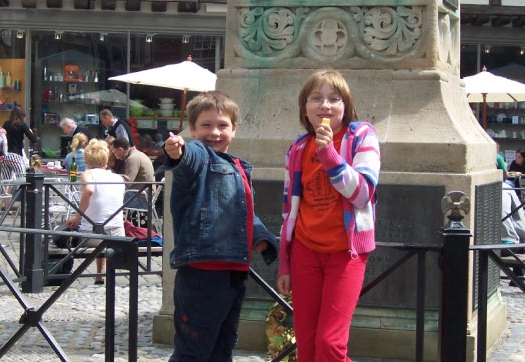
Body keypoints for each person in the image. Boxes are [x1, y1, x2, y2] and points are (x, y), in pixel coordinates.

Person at [162, 90, 277, 362]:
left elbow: (243, 212)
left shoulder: (238, 166)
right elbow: (188, 157)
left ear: (234, 129)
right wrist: (177, 151)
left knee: (221, 350)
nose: (214, 132)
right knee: (192, 354)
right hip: (202, 274)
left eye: (222, 125)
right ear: (192, 129)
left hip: (233, 271)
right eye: (206, 125)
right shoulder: (199, 154)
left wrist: (261, 237)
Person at [277, 69, 381, 362]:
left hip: (346, 253)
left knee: (329, 343)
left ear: (346, 106)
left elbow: (362, 194)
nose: (325, 105)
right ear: (305, 108)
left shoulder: (361, 136)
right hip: (305, 251)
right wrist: (285, 261)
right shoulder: (297, 148)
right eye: (316, 98)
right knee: (307, 344)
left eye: (334, 99)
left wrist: (330, 156)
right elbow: (289, 210)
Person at [66, 139, 125, 284]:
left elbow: (89, 190)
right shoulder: (118, 177)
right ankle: (100, 275)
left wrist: (77, 218)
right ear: (106, 159)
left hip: (93, 235)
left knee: (65, 233)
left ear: (87, 159)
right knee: (101, 227)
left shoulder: (88, 174)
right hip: (117, 234)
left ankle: (60, 275)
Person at [2, 105, 38, 179]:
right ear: (22, 116)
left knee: (6, 181)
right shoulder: (22, 125)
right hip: (16, 156)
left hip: (5, 156)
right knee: (21, 178)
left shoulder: (6, 124)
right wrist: (32, 131)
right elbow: (34, 139)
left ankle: (5, 187)